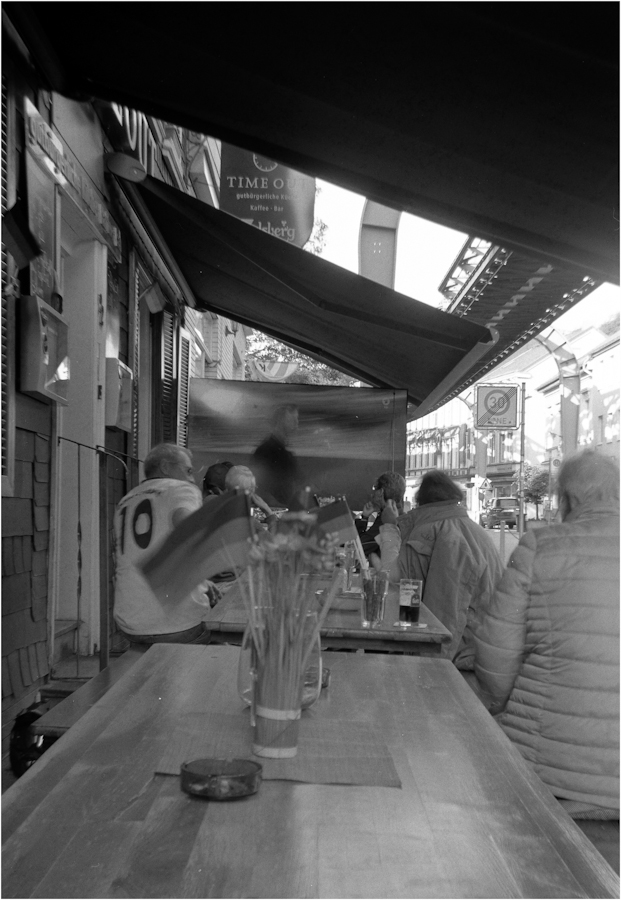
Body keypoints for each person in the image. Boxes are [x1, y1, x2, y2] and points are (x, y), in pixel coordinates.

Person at [472, 450, 619, 816]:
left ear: (568, 499)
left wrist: (503, 707)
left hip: (550, 772)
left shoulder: (540, 547)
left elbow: (496, 652)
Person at [370, 469, 503, 668]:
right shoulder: (475, 531)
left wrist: (389, 527)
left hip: (456, 661)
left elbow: (396, 580)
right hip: (480, 652)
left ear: (420, 501)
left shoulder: (433, 532)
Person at [113, 443, 220, 646]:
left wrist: (203, 582)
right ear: (165, 467)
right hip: (178, 625)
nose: (192, 479)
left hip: (131, 623)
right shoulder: (180, 489)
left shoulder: (126, 500)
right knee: (228, 651)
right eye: (188, 471)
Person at [252, 404, 300, 507]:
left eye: (297, 419)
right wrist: (281, 507)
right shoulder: (265, 451)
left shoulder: (285, 453)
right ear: (281, 421)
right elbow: (258, 487)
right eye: (293, 419)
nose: (297, 423)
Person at [355, 471, 406, 558]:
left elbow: (358, 548)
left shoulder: (386, 520)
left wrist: (363, 519)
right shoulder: (403, 518)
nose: (372, 493)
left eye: (375, 489)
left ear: (381, 492)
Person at [225, 465, 277, 529]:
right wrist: (268, 512)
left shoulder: (219, 508)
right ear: (249, 491)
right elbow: (273, 535)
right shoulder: (247, 521)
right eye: (252, 487)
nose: (253, 491)